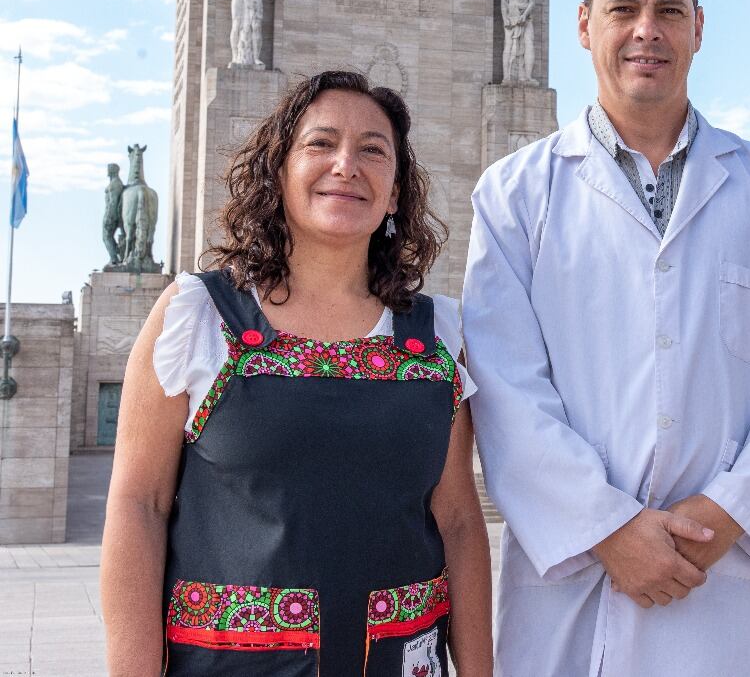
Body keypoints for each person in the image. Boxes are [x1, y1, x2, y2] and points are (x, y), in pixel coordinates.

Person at [464, 0, 750, 676]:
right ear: (583, 24)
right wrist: (608, 528)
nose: (648, 30)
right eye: (623, 8)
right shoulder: (515, 195)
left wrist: (727, 512)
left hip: (725, 587)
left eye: (670, 11)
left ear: (699, 27)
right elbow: (506, 387)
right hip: (575, 587)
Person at [100, 71, 492, 676]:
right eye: (320, 143)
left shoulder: (438, 336)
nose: (346, 165)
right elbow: (138, 506)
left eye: (372, 150)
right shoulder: (198, 316)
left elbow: (460, 522)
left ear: (394, 194)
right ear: (279, 173)